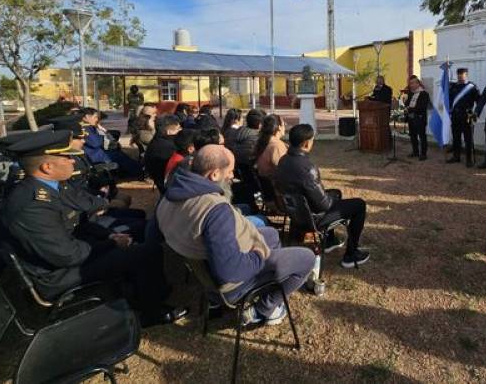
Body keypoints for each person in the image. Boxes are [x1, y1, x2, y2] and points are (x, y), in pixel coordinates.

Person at [0, 130, 187, 327]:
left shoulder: (48, 188)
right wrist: (111, 243)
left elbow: (79, 223)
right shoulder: (32, 205)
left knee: (134, 242)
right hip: (55, 275)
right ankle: (150, 312)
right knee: (147, 251)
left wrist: (110, 234)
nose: (71, 161)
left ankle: (140, 291)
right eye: (66, 157)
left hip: (67, 255)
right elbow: (66, 255)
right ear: (47, 166)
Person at [157, 144, 314, 325]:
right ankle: (264, 308)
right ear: (214, 174)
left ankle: (272, 282)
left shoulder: (172, 193)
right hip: (232, 284)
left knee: (271, 233)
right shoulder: (214, 210)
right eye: (230, 171)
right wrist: (258, 256)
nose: (233, 176)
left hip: (208, 266)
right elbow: (229, 271)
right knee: (307, 258)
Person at [275, 124, 370, 268]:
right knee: (359, 205)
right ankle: (351, 255)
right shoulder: (307, 168)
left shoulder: (283, 160)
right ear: (306, 143)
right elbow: (324, 205)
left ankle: (330, 240)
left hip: (295, 212)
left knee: (336, 193)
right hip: (313, 218)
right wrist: (330, 198)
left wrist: (331, 196)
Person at [447, 68, 479, 166]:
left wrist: (475, 113)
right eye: (459, 74)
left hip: (466, 116)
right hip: (455, 116)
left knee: (468, 139)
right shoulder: (453, 87)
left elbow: (479, 101)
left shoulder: (472, 87)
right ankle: (456, 156)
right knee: (456, 137)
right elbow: (449, 100)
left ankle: (469, 159)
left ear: (466, 75)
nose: (460, 76)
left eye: (462, 74)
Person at [145, 115, 181, 193]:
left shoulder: (156, 141)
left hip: (160, 183)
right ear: (168, 131)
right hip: (170, 187)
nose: (180, 131)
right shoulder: (169, 147)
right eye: (178, 129)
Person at [405, 75, 430, 161]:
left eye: (413, 83)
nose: (411, 85)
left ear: (417, 83)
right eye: (410, 83)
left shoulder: (424, 94)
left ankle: (423, 154)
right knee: (413, 136)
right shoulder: (410, 93)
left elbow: (422, 107)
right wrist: (406, 105)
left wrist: (410, 109)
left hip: (420, 119)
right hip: (411, 118)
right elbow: (407, 104)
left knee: (422, 137)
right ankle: (415, 152)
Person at [255, 114, 287, 179]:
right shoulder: (277, 145)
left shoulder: (262, 141)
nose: (285, 127)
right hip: (275, 184)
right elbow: (282, 169)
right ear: (279, 127)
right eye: (284, 124)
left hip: (265, 182)